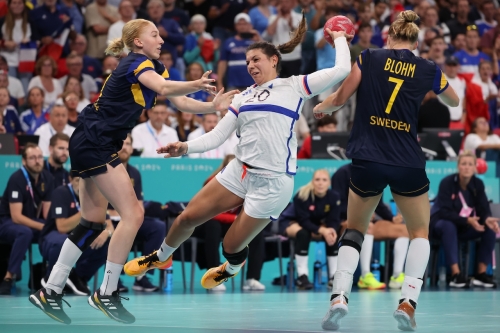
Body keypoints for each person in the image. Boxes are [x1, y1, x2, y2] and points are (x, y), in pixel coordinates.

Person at [124, 14, 352, 298]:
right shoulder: (243, 97)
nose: (250, 65)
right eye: (247, 62)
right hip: (240, 171)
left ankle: (231, 268)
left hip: (273, 183)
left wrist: (340, 37)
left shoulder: (295, 86)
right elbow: (218, 136)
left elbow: (342, 68)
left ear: (273, 60)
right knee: (185, 219)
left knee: (230, 246)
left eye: (256, 59)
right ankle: (160, 256)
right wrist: (184, 147)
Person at [29, 18, 237, 325]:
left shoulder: (154, 68)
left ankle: (51, 290)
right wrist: (197, 83)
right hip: (95, 141)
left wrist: (211, 107)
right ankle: (107, 292)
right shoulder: (135, 63)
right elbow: (166, 88)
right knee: (134, 214)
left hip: (93, 140)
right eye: (153, 34)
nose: (161, 39)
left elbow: (177, 101)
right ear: (138, 42)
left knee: (91, 221)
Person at [313, 10, 459, 331]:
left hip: (368, 159)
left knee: (355, 229)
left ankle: (339, 297)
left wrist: (323, 107)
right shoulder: (428, 68)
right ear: (416, 42)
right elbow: (454, 101)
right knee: (419, 232)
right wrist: (432, 82)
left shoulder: (368, 58)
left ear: (389, 37)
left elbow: (340, 98)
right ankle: (407, 302)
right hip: (407, 160)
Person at [430, 151, 499, 288]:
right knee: (448, 226)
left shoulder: (477, 184)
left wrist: (487, 219)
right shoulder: (447, 183)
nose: (467, 167)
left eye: (470, 164)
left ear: (475, 167)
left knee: (489, 228)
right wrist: (467, 220)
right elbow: (444, 212)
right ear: (458, 166)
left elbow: (483, 207)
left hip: (464, 227)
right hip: (440, 225)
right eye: (463, 164)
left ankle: (481, 274)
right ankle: (456, 275)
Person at [39, 175, 114, 296]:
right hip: (54, 236)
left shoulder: (96, 193)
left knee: (108, 244)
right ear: (70, 179)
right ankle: (51, 278)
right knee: (64, 241)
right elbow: (62, 227)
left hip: (80, 238)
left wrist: (106, 232)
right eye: (78, 180)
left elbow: (110, 226)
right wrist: (86, 209)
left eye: (86, 181)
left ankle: (78, 276)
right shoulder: (61, 192)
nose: (82, 185)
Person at [0, 144, 54, 295]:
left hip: (31, 222)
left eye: (39, 157)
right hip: (7, 222)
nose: (37, 161)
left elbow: (47, 213)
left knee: (54, 232)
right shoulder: (17, 178)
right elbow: (16, 217)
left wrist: (48, 227)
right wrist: (43, 227)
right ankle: (8, 278)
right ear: (24, 161)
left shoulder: (47, 178)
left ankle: (49, 277)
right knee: (24, 232)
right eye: (32, 158)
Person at [283, 169, 341, 290]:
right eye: (317, 180)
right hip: (291, 221)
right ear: (313, 182)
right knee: (303, 233)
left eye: (324, 180)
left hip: (314, 224)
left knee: (332, 233)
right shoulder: (302, 195)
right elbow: (303, 220)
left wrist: (329, 230)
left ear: (329, 183)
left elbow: (334, 220)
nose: (320, 183)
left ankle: (333, 277)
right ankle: (302, 276)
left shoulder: (334, 197)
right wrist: (322, 230)